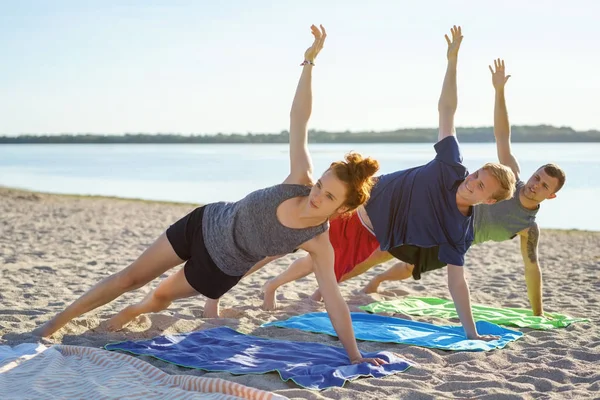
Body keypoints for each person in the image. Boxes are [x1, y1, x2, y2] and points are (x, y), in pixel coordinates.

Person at [33, 25, 386, 366]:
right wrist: (309, 63)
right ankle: (52, 325)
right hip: (204, 222)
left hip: (219, 267)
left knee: (157, 298)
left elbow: (335, 302)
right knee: (131, 277)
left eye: (328, 197)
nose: (317, 195)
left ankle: (134, 312)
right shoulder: (298, 178)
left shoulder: (319, 243)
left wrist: (354, 355)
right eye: (320, 186)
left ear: (342, 209)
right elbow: (299, 119)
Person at [211, 26, 517, 341]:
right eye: (477, 174)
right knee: (277, 242)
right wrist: (452, 61)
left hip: (370, 235)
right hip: (352, 197)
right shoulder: (450, 164)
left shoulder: (459, 231)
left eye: (481, 187)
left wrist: (472, 334)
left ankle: (266, 287)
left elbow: (457, 283)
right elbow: (447, 110)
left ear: (489, 201)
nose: (472, 182)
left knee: (314, 257)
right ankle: (219, 291)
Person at [352, 59, 566, 317]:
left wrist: (538, 314)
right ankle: (330, 286)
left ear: (551, 195)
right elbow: (502, 135)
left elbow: (532, 268)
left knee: (410, 267)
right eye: (537, 177)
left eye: (543, 185)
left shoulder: (527, 228)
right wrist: (499, 92)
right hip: (441, 212)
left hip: (454, 238)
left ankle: (376, 282)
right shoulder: (511, 177)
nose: (535, 185)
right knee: (380, 251)